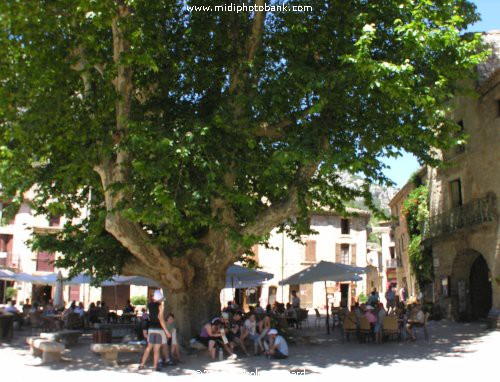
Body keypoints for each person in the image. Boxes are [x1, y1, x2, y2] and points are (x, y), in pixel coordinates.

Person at [139, 290, 171, 371]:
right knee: (156, 349)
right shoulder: (161, 306)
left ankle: (142, 365)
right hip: (159, 330)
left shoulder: (149, 305)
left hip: (151, 329)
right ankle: (155, 366)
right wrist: (166, 331)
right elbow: (160, 319)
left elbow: (151, 316)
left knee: (148, 348)